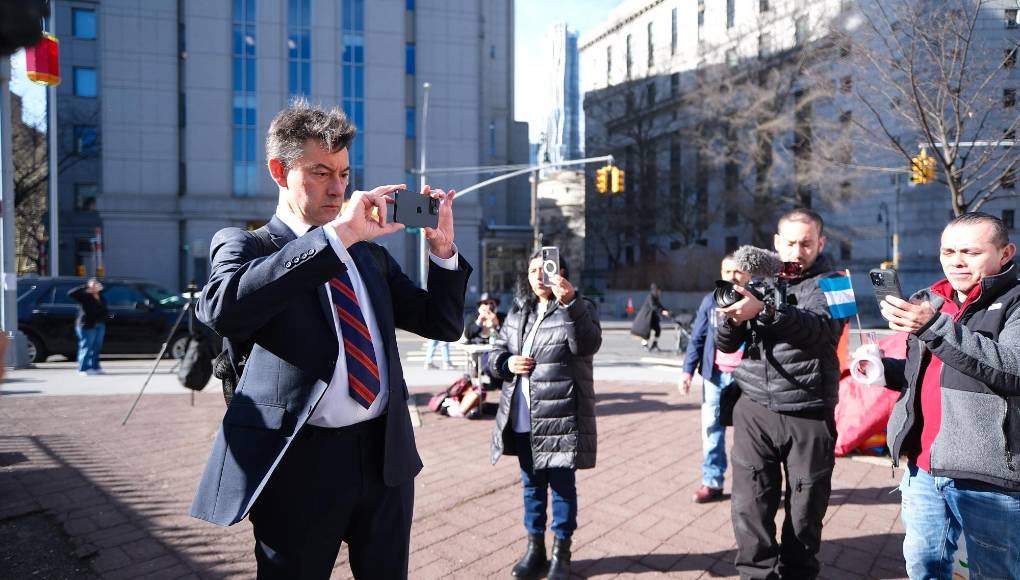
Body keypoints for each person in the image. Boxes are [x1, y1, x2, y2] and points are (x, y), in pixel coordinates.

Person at [190, 101, 471, 580]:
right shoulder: (247, 245)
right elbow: (222, 308)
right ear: (279, 171)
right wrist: (334, 239)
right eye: (321, 172)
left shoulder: (370, 258)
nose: (338, 188)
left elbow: (441, 324)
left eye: (343, 172)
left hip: (385, 460)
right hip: (300, 466)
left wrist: (442, 252)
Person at [863, 212, 1020, 579]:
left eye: (970, 251)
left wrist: (932, 326)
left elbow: (1012, 369)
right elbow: (935, 375)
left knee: (995, 573)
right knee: (923, 566)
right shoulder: (930, 300)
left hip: (988, 474)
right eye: (948, 251)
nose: (957, 261)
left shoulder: (1014, 302)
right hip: (922, 465)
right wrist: (882, 371)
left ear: (1005, 253)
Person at [715, 209, 844, 580]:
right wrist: (730, 319)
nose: (797, 251)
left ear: (821, 243)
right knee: (750, 506)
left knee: (806, 508)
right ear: (776, 242)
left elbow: (824, 331)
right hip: (754, 406)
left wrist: (769, 311)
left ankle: (799, 572)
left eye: (806, 243)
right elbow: (729, 344)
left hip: (810, 410)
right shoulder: (757, 279)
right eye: (790, 242)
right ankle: (756, 574)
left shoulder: (837, 281)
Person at [488, 254, 602, 580]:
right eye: (533, 270)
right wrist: (507, 363)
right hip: (524, 417)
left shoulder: (579, 306)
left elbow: (586, 344)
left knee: (563, 488)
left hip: (561, 416)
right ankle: (534, 549)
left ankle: (561, 555)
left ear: (561, 273)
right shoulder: (519, 310)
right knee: (531, 488)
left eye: (547, 269)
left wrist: (571, 303)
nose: (539, 275)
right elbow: (496, 351)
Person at [679, 255, 750, 503]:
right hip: (715, 377)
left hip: (747, 380)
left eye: (738, 271)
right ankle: (712, 482)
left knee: (750, 437)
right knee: (712, 433)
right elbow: (697, 338)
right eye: (727, 270)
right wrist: (687, 371)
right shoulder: (710, 301)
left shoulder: (754, 302)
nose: (732, 276)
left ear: (747, 275)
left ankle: (750, 488)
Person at [69, 278, 108, 375]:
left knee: (96, 347)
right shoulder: (84, 295)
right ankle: (83, 368)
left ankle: (95, 367)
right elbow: (71, 293)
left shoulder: (101, 296)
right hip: (86, 324)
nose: (95, 286)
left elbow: (103, 309)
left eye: (96, 284)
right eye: (93, 284)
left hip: (99, 324)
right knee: (86, 346)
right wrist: (85, 287)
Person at [631, 283, 670, 350]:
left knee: (658, 330)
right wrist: (662, 311)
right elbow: (653, 306)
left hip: (652, 317)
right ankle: (644, 345)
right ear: (656, 290)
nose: (660, 292)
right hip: (646, 317)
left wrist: (666, 310)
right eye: (658, 290)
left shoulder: (655, 298)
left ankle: (654, 344)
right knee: (645, 332)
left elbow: (659, 306)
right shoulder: (650, 297)